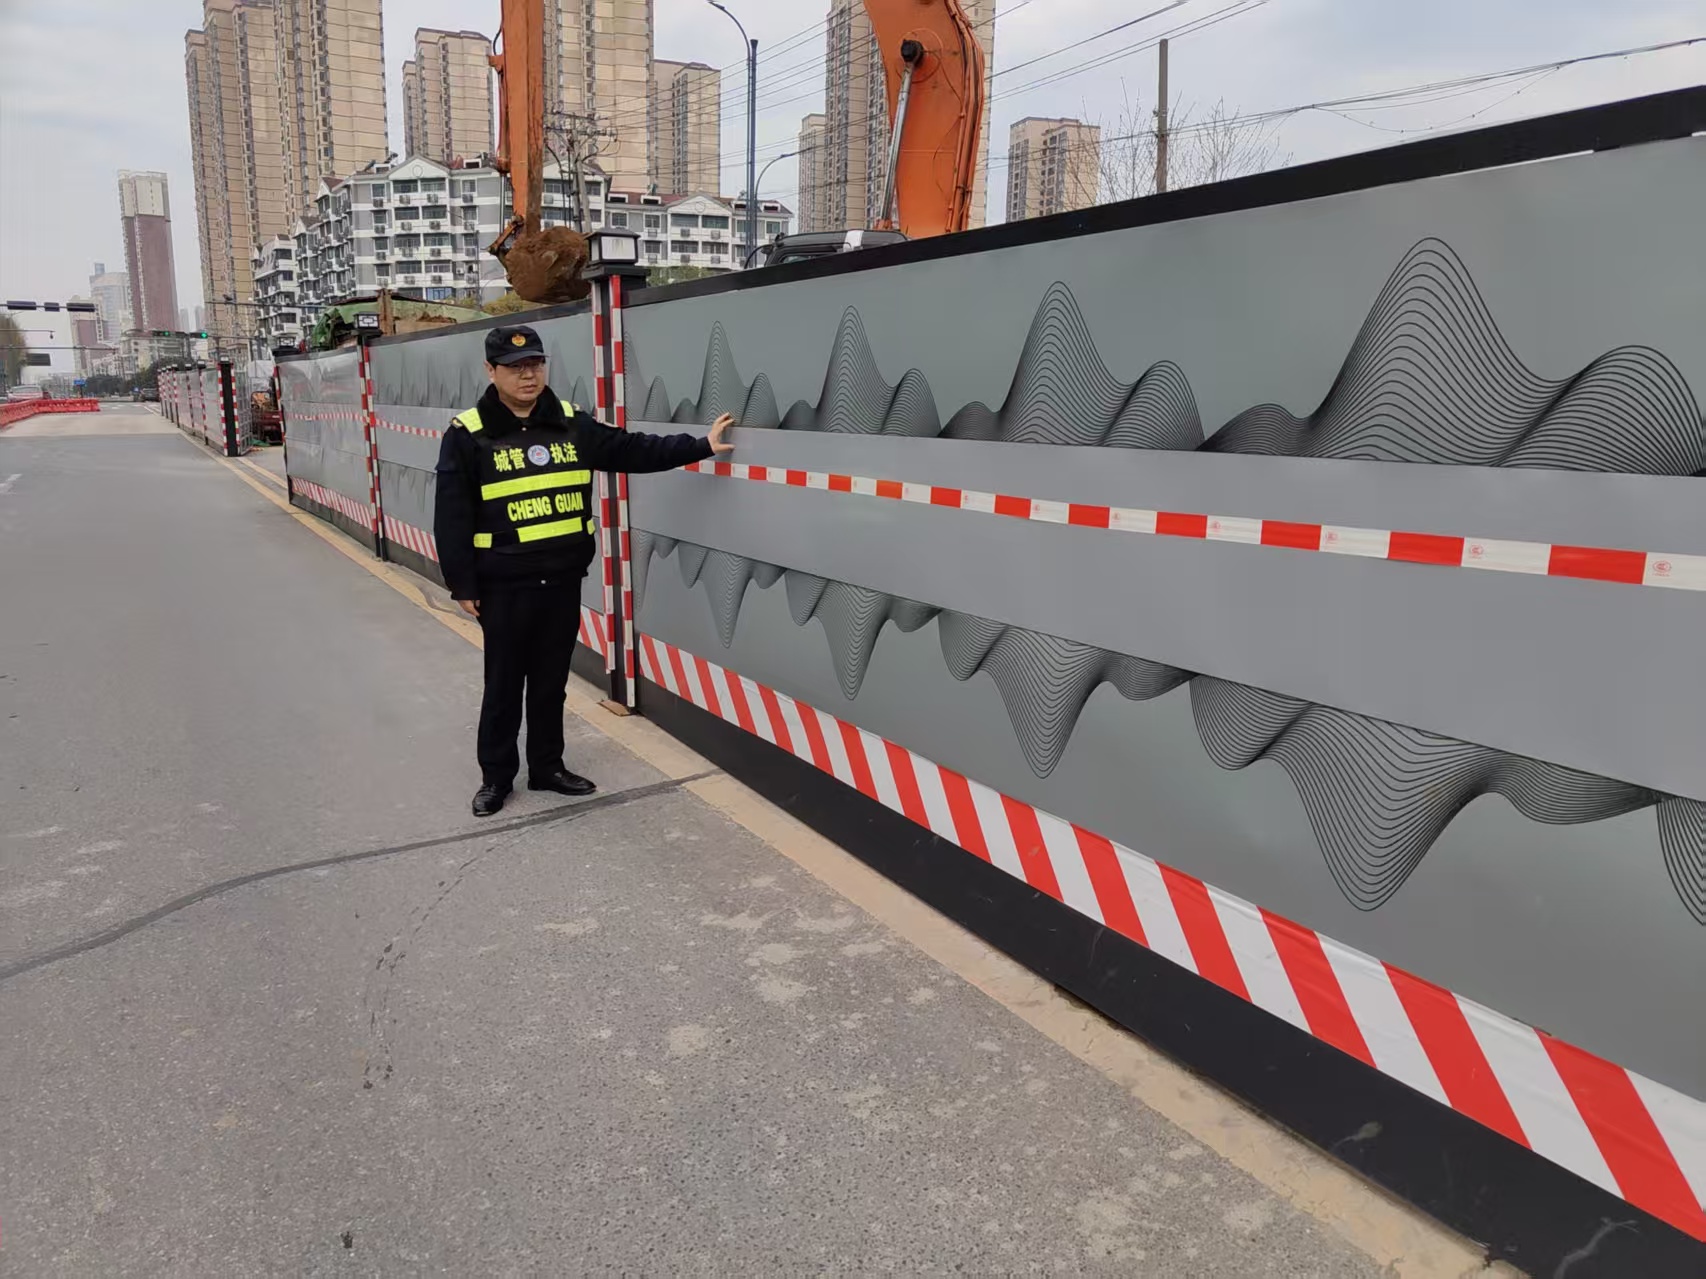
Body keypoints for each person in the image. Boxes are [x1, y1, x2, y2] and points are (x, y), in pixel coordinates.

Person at [434, 323, 735, 816]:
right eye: (514, 367)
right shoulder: (468, 433)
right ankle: (496, 778)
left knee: (551, 681)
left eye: (534, 364)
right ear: (490, 371)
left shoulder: (572, 423)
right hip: (503, 584)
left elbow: (632, 449)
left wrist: (700, 446)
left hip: (561, 578)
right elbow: (451, 515)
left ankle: (547, 767)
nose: (527, 375)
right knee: (504, 685)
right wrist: (462, 583)